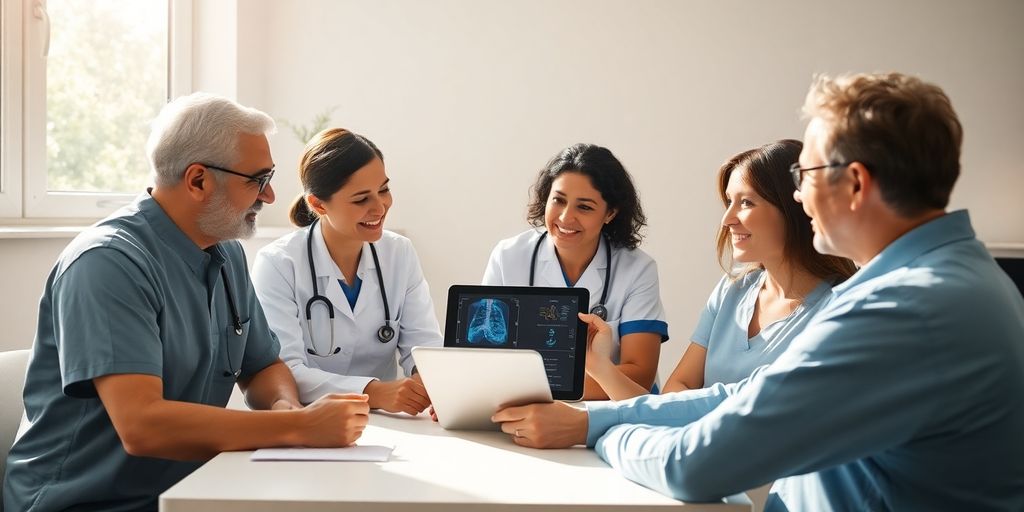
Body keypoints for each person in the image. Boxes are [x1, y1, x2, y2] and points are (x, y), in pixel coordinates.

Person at [493, 73, 1024, 511]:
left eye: (806, 173)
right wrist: (593, 416)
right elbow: (742, 396)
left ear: (856, 183)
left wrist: (598, 433)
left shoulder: (902, 308)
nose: (798, 194)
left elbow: (696, 467)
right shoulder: (955, 281)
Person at [3, 93, 370, 512]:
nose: (269, 197)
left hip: (184, 490)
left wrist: (282, 404)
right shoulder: (107, 263)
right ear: (198, 180)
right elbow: (143, 426)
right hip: (85, 501)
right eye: (258, 179)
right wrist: (295, 426)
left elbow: (263, 365)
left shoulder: (225, 252)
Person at [587, 140, 855, 400]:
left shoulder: (837, 310)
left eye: (747, 203)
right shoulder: (733, 289)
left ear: (793, 207)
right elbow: (675, 392)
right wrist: (599, 367)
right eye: (729, 202)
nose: (727, 219)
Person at [252, 128, 441, 415]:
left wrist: (431, 383)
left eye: (384, 190)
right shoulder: (279, 264)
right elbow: (285, 370)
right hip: (311, 420)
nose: (380, 207)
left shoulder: (399, 253)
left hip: (390, 425)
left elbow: (424, 347)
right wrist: (373, 391)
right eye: (361, 199)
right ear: (317, 203)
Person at [482, 143, 668, 399]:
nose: (566, 218)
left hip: (613, 412)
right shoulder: (508, 257)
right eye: (558, 200)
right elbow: (483, 359)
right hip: (526, 407)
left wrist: (527, 392)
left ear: (610, 213)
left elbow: (640, 375)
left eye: (585, 207)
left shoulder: (636, 269)